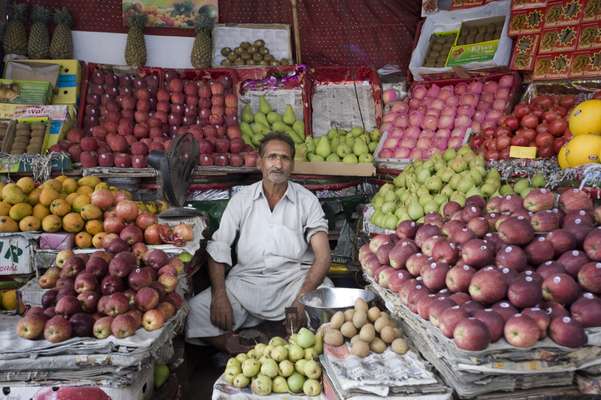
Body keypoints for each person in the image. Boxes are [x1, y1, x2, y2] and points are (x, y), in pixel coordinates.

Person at [186, 132, 332, 352]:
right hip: (246, 283)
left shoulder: (307, 201)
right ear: (260, 163)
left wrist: (302, 298)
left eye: (284, 158)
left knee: (326, 298)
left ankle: (294, 348)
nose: (278, 164)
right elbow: (219, 247)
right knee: (196, 309)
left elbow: (323, 257)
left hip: (292, 282)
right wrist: (219, 294)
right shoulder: (242, 200)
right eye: (272, 157)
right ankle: (234, 348)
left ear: (291, 164)